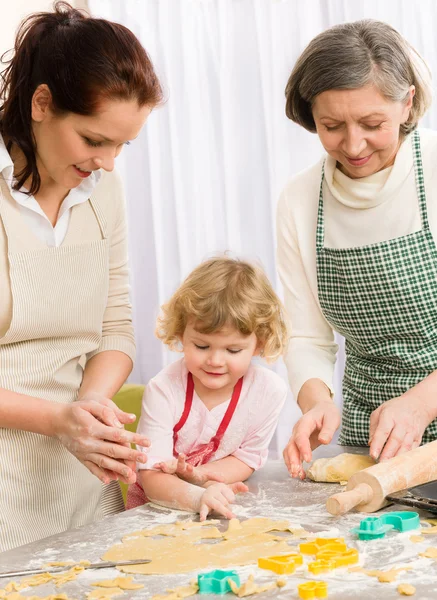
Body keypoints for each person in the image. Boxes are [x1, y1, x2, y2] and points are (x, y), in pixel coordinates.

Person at [0, 1, 163, 551]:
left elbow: (115, 329)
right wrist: (57, 420)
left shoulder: (103, 193)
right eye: (95, 140)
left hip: (81, 472)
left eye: (122, 144)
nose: (110, 162)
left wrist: (90, 408)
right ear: (42, 102)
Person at [277, 19, 437, 479]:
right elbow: (306, 336)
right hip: (370, 436)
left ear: (406, 104)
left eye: (372, 124)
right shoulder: (300, 199)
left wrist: (419, 405)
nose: (352, 145)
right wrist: (317, 402)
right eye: (331, 125)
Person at [126, 257, 289, 520]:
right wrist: (197, 494)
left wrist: (205, 480)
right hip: (154, 510)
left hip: (214, 503)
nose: (214, 361)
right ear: (181, 334)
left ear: (259, 344)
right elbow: (151, 477)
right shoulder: (164, 390)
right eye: (202, 346)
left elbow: (245, 459)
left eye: (233, 350)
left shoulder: (268, 392)